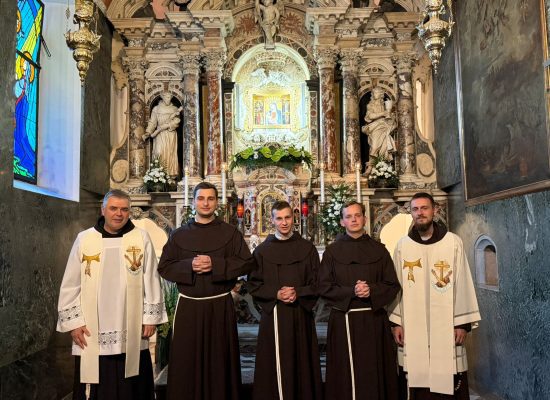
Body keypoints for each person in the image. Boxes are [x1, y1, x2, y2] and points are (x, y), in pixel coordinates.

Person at [57, 189, 167, 400]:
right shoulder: (85, 238)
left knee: (132, 384)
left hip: (131, 324)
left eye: (124, 209)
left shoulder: (140, 237)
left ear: (129, 212)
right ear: (103, 210)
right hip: (92, 327)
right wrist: (74, 323)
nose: (119, 214)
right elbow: (71, 284)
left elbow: (151, 279)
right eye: (113, 208)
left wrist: (150, 318)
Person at [158, 181, 255, 400]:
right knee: (186, 360)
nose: (205, 203)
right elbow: (164, 267)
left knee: (219, 360)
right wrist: (189, 266)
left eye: (210, 198)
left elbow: (247, 263)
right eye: (201, 198)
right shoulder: (179, 235)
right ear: (193, 202)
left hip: (219, 306)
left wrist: (216, 265)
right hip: (189, 307)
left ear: (216, 202)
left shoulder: (230, 233)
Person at [388, 192, 481, 399]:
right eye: (415, 209)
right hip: (412, 327)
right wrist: (396, 323)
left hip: (446, 326)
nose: (420, 213)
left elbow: (463, 282)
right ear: (410, 213)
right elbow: (396, 288)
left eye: (424, 208)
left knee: (448, 373)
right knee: (415, 373)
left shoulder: (453, 243)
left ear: (434, 210)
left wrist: (462, 323)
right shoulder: (403, 246)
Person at [319, 201, 401, 400]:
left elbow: (392, 284)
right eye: (349, 216)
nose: (354, 220)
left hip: (374, 320)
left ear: (364, 219)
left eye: (357, 215)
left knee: (373, 370)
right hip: (343, 320)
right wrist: (352, 291)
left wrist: (371, 290)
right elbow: (323, 286)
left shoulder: (380, 250)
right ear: (342, 222)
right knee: (345, 373)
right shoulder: (332, 252)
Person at [247, 201, 322, 400]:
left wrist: (298, 292)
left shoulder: (307, 249)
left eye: (287, 217)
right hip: (274, 315)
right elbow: (254, 284)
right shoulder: (262, 251)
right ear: (271, 220)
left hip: (301, 314)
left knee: (302, 362)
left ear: (294, 218)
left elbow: (318, 283)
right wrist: (276, 294)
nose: (284, 222)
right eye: (279, 218)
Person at [144, 91, 182, 177]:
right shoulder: (156, 109)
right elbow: (152, 122)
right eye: (167, 97)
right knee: (159, 152)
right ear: (163, 97)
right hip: (159, 134)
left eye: (170, 97)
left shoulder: (175, 109)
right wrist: (148, 132)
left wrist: (167, 125)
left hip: (170, 133)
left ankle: (170, 175)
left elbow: (177, 121)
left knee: (170, 153)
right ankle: (158, 175)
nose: (168, 99)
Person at [361, 86, 397, 172]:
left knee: (384, 148)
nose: (375, 94)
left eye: (377, 92)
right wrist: (383, 113)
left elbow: (389, 118)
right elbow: (370, 116)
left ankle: (383, 167)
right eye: (374, 93)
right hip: (375, 127)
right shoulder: (370, 105)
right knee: (374, 146)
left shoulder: (385, 105)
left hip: (384, 127)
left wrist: (391, 116)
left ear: (381, 94)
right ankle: (370, 166)